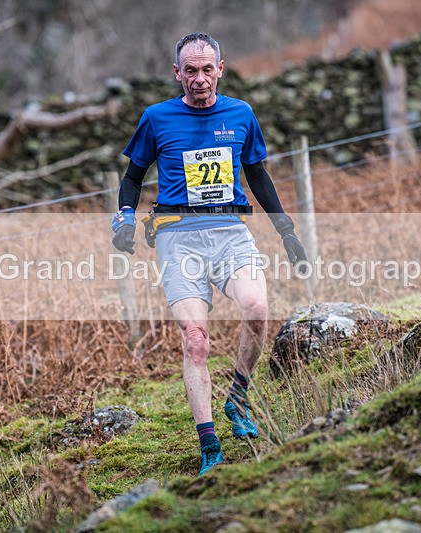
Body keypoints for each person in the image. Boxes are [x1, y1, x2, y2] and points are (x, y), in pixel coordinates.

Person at [111, 32, 307, 476]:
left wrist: (286, 230)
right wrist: (123, 217)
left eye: (207, 70)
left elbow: (257, 176)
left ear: (221, 69)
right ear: (177, 73)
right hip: (178, 236)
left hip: (230, 230)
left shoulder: (241, 114)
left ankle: (238, 397)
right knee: (194, 340)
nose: (199, 80)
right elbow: (132, 177)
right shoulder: (157, 118)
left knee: (257, 309)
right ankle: (210, 446)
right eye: (190, 71)